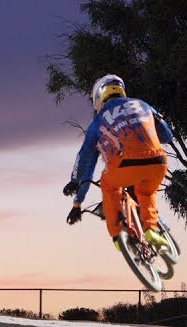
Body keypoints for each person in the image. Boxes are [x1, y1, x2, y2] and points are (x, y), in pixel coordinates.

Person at [62, 74, 174, 252]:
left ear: (99, 97)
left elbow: (85, 160)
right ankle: (151, 229)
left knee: (109, 186)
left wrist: (77, 198)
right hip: (158, 161)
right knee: (146, 191)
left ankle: (117, 236)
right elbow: (167, 136)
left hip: (124, 165)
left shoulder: (97, 122)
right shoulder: (142, 105)